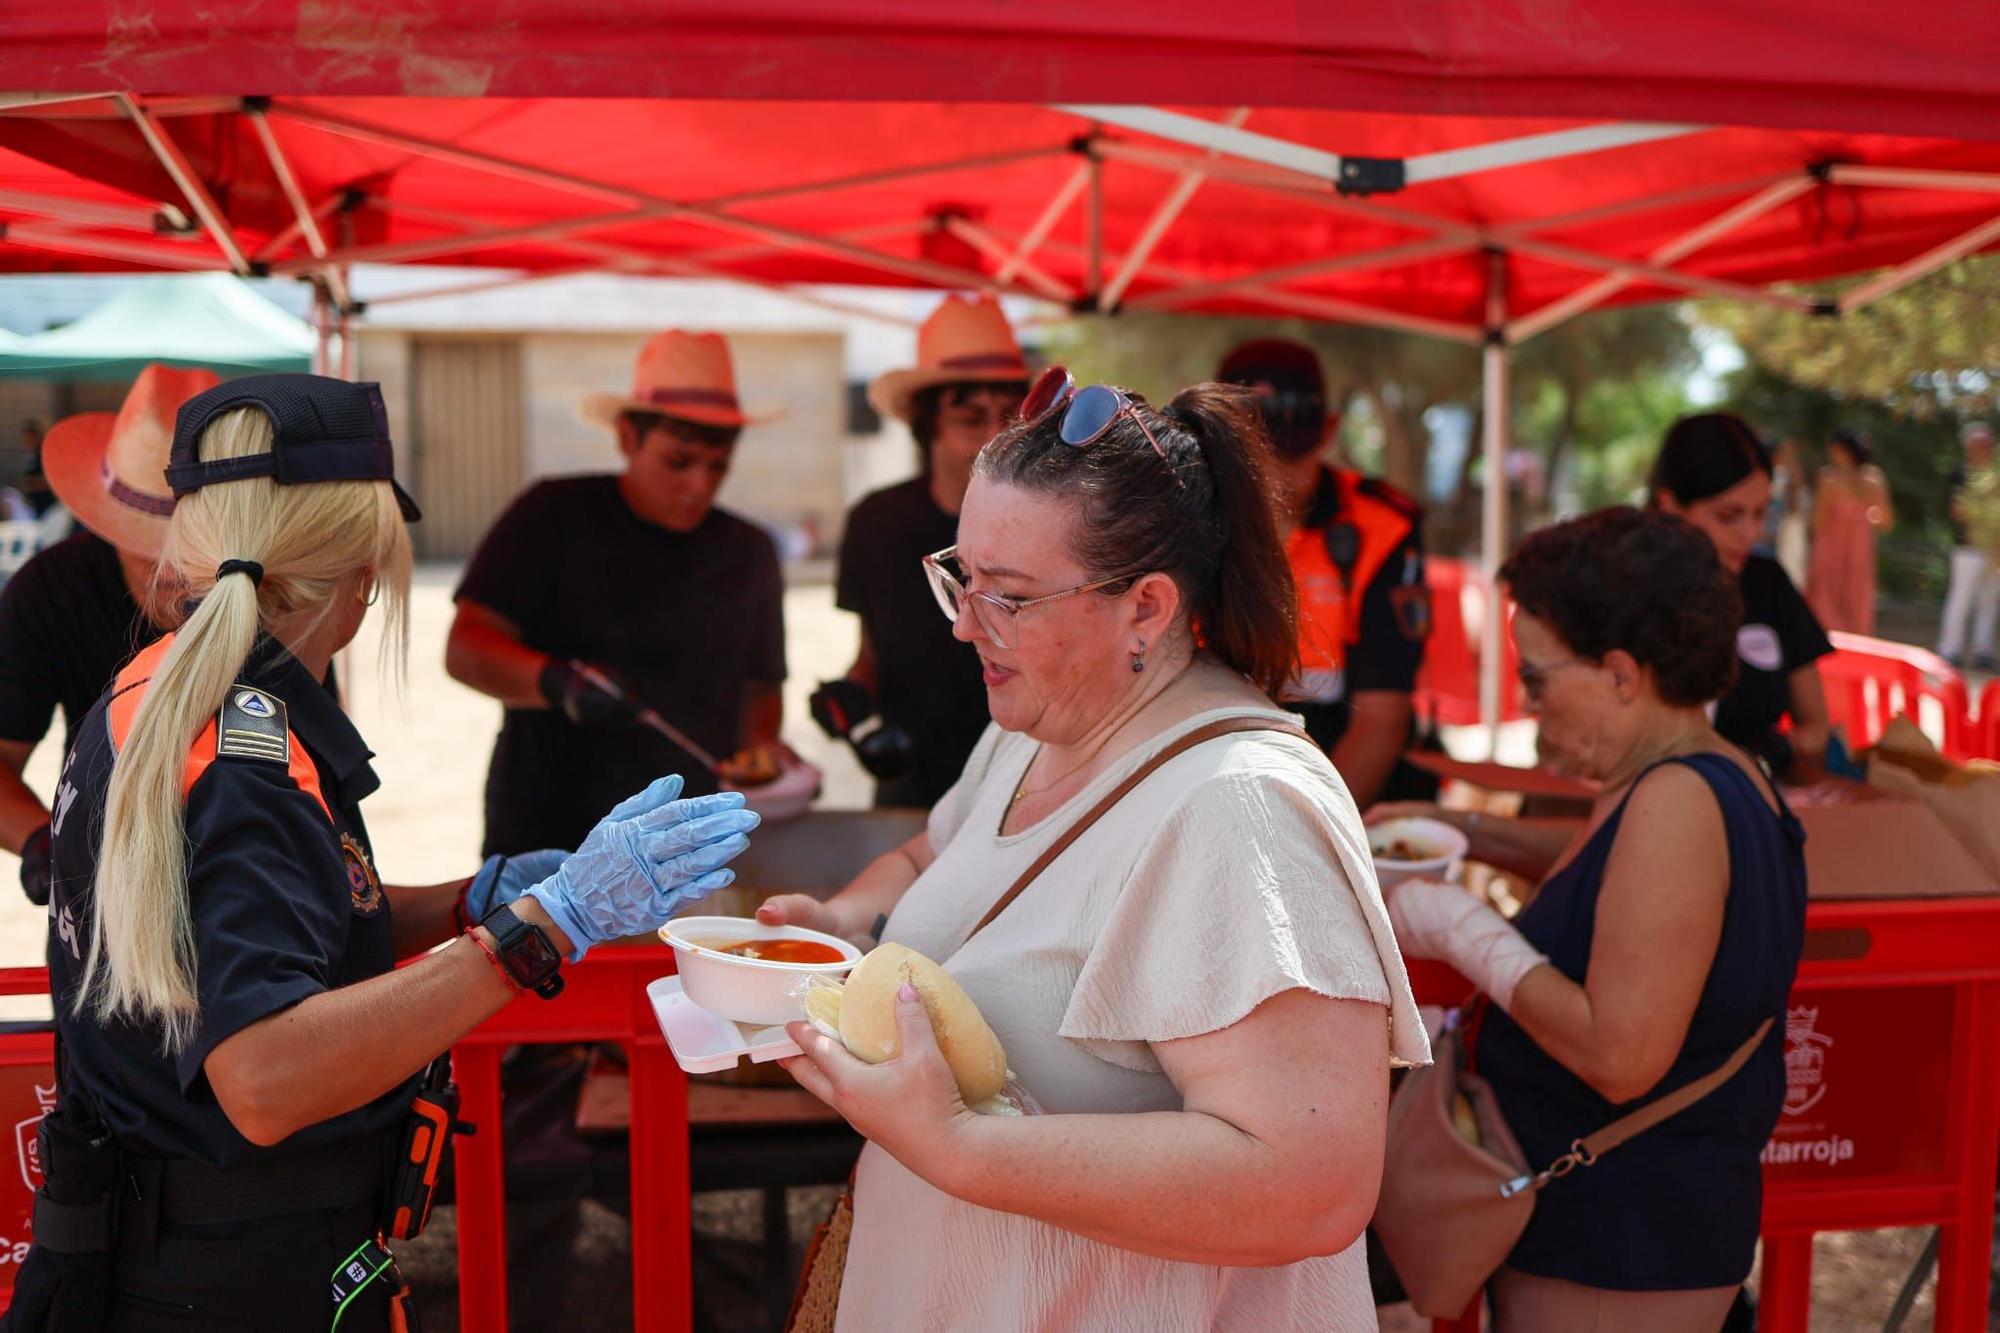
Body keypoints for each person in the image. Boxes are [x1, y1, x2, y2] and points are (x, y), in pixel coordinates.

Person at [16, 373, 758, 1331]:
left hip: (163, 1251)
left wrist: (471, 898)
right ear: (365, 567)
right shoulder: (249, 755)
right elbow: (265, 1075)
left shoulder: (155, 686)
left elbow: (267, 927)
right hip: (237, 1276)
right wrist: (540, 928)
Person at [762, 370, 1427, 1330]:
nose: (963, 623)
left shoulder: (1242, 807)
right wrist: (844, 920)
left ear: (1147, 609)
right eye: (963, 575)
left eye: (1011, 598)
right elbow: (937, 856)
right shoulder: (1034, 726)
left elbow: (1310, 1183)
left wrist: (955, 1145)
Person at [1380, 507, 1806, 1331]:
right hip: (1635, 1235)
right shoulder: (1704, 773)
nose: (1532, 707)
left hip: (1621, 1245)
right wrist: (1468, 831)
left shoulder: (1675, 803)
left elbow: (1620, 1054)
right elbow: (1609, 869)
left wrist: (1463, 931)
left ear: (1619, 672)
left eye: (1537, 678)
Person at [447, 330, 789, 855]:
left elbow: (762, 688)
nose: (699, 485)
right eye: (678, 462)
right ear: (628, 436)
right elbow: (466, 647)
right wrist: (559, 683)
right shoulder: (553, 515)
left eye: (717, 466)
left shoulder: (749, 550)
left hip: (683, 835)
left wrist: (758, 749)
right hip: (550, 828)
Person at [0, 366, 217, 908]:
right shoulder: (51, 590)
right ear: (107, 519)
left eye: (197, 544)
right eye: (150, 542)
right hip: (103, 882)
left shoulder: (270, 588)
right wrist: (45, 844)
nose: (174, 565)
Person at [826, 295, 1029, 807]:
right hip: (913, 784)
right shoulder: (876, 522)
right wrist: (850, 703)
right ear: (926, 424)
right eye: (970, 418)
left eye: (1009, 417)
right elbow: (869, 657)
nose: (993, 437)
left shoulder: (1050, 523)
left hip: (1030, 779)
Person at [1217, 338, 1431, 810]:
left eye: (1288, 454)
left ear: (1329, 430)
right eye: (1250, 460)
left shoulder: (1382, 527)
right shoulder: (1182, 525)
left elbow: (1382, 718)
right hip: (1216, 770)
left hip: (1346, 786)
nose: (1270, 478)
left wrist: (1310, 834)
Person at [1650, 413, 1834, 781]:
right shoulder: (1624, 590)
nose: (1750, 533)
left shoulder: (1766, 583)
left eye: (1760, 513)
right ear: (1670, 506)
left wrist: (1763, 756)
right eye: (1729, 515)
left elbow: (1816, 724)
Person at [1806, 427, 1894, 635]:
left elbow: (1818, 521)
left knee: (1826, 595)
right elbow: (1887, 522)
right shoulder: (1874, 478)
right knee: (1858, 595)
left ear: (1841, 450)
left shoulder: (1829, 478)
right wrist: (1865, 517)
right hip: (1860, 547)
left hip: (1830, 546)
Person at [1938, 421, 2000, 671]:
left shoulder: (1995, 475)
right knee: (1960, 599)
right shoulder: (1960, 474)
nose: (1984, 449)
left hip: (1994, 549)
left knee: (1990, 601)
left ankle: (1982, 650)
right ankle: (1949, 649)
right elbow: (1956, 510)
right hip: (1968, 547)